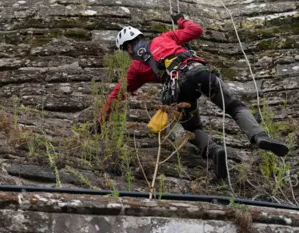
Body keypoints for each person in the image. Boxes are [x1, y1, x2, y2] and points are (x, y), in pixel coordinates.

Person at [95, 13, 289, 179]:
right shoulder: (165, 38)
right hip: (200, 73)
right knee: (234, 106)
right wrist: (181, 20)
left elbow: (116, 95)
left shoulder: (136, 67)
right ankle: (259, 136)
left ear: (129, 48)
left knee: (191, 127)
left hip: (178, 88)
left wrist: (101, 120)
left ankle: (213, 150)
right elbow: (196, 30)